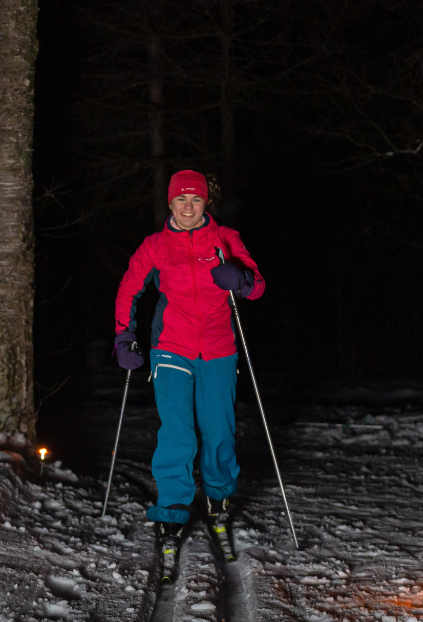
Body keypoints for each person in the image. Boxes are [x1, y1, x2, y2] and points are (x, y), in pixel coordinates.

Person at [112, 169, 264, 559]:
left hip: (218, 349)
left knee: (218, 433)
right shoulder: (156, 246)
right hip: (171, 348)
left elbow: (257, 285)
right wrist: (124, 335)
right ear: (170, 201)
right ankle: (172, 511)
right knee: (178, 433)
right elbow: (129, 289)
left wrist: (241, 279)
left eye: (196, 199)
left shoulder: (225, 239)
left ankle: (218, 498)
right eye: (181, 199)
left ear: (205, 202)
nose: (188, 207)